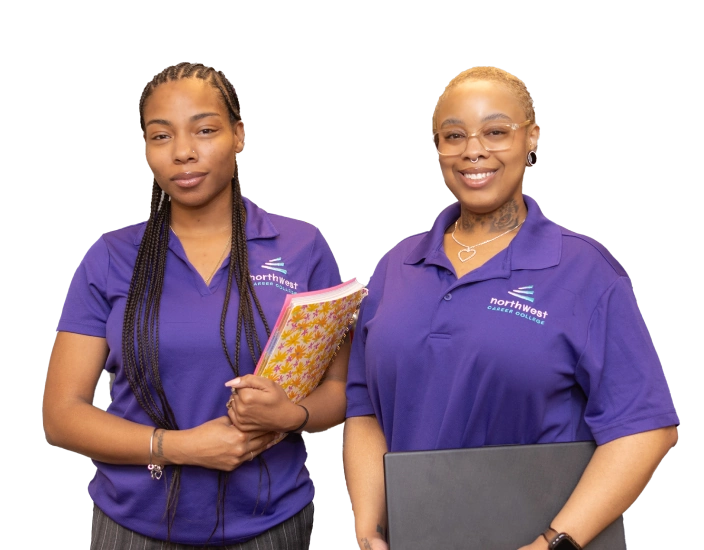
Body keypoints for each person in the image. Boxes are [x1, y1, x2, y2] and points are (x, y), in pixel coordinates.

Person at [342, 66, 679, 550]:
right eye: (453, 135)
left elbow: (645, 427)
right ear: (438, 147)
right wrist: (368, 530)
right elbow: (365, 411)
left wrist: (553, 543)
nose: (473, 150)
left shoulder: (583, 271)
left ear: (532, 138)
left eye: (496, 131)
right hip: (417, 537)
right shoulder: (397, 266)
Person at [42, 61, 349, 549]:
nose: (184, 152)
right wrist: (179, 447)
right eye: (161, 137)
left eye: (205, 130)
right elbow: (61, 414)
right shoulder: (111, 257)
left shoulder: (301, 248)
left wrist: (289, 416)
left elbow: (340, 390)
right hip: (133, 525)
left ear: (238, 135)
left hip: (268, 522)